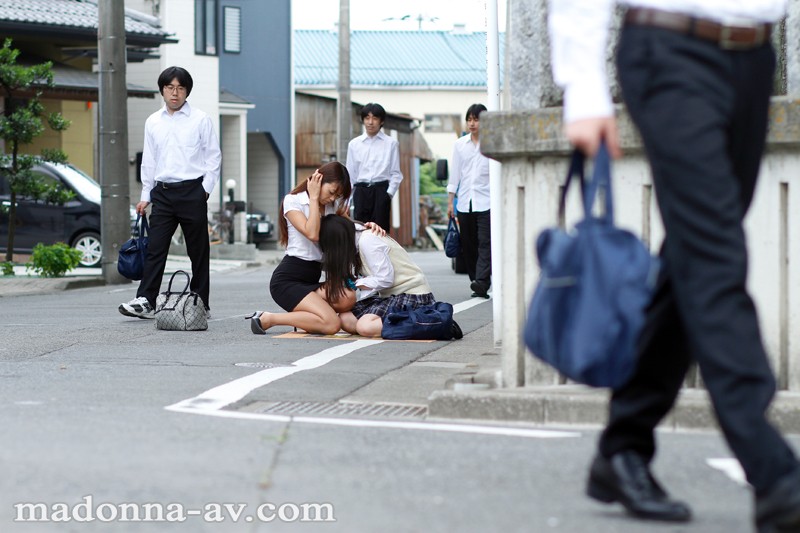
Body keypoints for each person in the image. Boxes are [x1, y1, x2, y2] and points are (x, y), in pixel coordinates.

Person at [548, 1, 800, 530]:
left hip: (753, 57)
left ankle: (622, 447)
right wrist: (583, 82)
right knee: (715, 256)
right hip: (671, 51)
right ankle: (775, 472)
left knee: (692, 254)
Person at [119, 66, 221, 320]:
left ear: (187, 91)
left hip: (192, 192)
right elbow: (149, 161)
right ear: (162, 90)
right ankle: (146, 300)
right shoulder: (153, 121)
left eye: (180, 88)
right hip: (162, 193)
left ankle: (200, 301)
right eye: (169, 87)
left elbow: (213, 157)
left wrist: (204, 191)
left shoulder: (200, 119)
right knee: (155, 248)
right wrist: (146, 195)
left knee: (198, 251)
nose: (174, 93)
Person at [246, 162, 354, 336]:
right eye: (332, 192)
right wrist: (313, 198)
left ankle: (308, 319)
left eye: (338, 195)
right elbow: (312, 234)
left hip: (311, 277)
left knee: (348, 298)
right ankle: (268, 318)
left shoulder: (331, 207)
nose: (333, 199)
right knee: (331, 324)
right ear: (319, 181)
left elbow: (350, 228)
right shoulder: (293, 201)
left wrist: (369, 226)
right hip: (288, 280)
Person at [318, 215, 462, 340]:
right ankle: (410, 326)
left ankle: (435, 324)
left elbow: (386, 279)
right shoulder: (356, 242)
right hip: (391, 296)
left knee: (365, 326)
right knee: (346, 319)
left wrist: (357, 283)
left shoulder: (367, 241)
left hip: (412, 295)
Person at [447, 104, 491, 299]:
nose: (472, 123)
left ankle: (482, 282)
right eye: (470, 119)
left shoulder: (491, 144)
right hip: (465, 202)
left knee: (485, 242)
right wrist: (450, 202)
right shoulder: (460, 145)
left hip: (487, 201)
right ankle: (476, 279)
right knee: (469, 244)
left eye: (477, 119)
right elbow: (455, 175)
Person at [345, 103, 403, 233]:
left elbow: (396, 173)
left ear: (381, 121)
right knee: (361, 231)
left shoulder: (391, 143)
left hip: (381, 190)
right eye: (367, 118)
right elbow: (350, 175)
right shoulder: (354, 144)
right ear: (363, 120)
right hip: (361, 191)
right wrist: (347, 201)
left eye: (375, 118)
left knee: (381, 233)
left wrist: (388, 195)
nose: (370, 122)